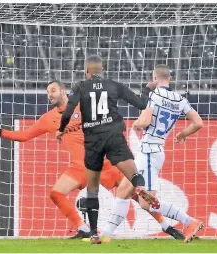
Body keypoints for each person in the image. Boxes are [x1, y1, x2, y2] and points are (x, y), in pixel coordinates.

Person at [0, 80, 183, 240]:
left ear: (64, 91)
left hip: (103, 164)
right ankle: (83, 229)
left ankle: (167, 226)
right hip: (78, 167)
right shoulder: (48, 119)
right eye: (48, 92)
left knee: (137, 195)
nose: (50, 95)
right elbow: (25, 136)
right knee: (56, 194)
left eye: (53, 90)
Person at [56, 55, 159, 244]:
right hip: (113, 135)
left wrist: (61, 130)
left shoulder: (80, 87)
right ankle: (141, 186)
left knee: (92, 188)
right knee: (132, 173)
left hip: (93, 140)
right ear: (101, 70)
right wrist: (147, 88)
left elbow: (68, 112)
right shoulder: (114, 85)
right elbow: (141, 104)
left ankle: (94, 233)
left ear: (87, 71)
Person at [125, 64, 203, 242]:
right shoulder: (180, 99)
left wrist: (137, 124)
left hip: (150, 151)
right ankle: (105, 233)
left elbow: (144, 121)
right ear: (171, 79)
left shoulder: (154, 95)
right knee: (125, 189)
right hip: (156, 148)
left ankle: (189, 221)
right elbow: (198, 122)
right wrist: (183, 133)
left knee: (147, 202)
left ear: (154, 78)